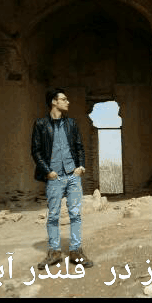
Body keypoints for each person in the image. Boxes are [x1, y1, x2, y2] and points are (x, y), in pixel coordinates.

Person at [31, 87, 93, 270]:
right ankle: (54, 252)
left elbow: (79, 146)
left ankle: (76, 251)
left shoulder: (71, 123)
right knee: (53, 216)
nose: (68, 102)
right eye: (64, 99)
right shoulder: (41, 124)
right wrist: (48, 171)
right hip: (54, 177)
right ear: (54, 101)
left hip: (73, 175)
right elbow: (35, 151)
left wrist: (81, 166)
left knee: (75, 214)